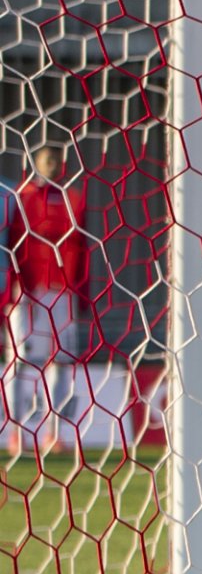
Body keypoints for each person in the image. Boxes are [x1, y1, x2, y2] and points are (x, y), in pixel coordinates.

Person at [6, 145, 90, 457]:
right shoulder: (22, 196)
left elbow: (82, 247)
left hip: (62, 289)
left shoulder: (74, 198)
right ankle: (17, 433)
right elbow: (12, 242)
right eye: (47, 161)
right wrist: (16, 289)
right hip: (27, 290)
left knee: (60, 361)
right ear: (36, 164)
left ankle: (52, 433)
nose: (52, 167)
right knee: (19, 361)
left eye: (56, 161)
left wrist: (81, 291)